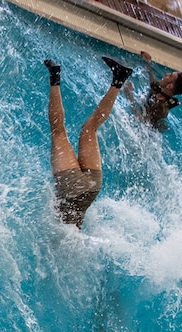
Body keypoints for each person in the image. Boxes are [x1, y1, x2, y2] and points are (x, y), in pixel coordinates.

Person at [44, 56, 133, 229]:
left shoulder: (76, 227)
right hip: (72, 189)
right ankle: (55, 77)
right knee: (58, 132)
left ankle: (119, 80)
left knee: (90, 128)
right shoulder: (66, 233)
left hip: (92, 188)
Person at [123, 51, 182, 130]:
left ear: (169, 86)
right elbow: (153, 82)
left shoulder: (160, 106)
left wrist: (128, 95)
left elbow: (141, 120)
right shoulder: (161, 91)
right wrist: (147, 62)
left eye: (170, 76)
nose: (167, 74)